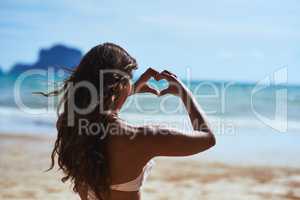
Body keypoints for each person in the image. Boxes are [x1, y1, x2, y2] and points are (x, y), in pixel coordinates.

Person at [47, 42, 216, 200]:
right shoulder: (140, 138)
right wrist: (185, 94)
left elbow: (101, 114)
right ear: (119, 85)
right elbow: (208, 138)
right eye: (129, 78)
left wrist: (129, 91)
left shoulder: (69, 125)